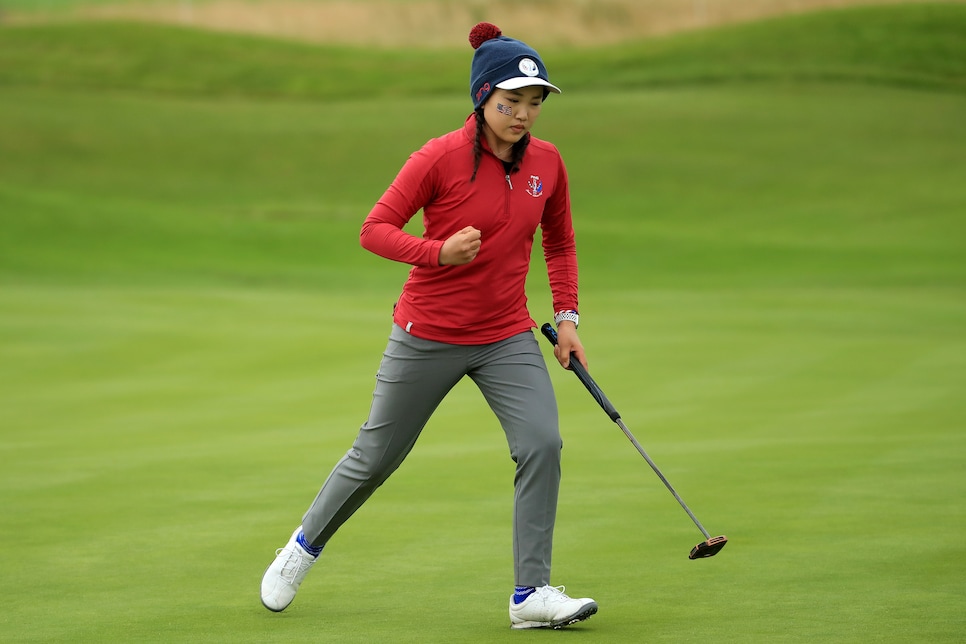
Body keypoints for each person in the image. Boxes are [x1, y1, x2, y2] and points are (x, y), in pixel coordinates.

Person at [259, 22, 597, 630]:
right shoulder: (437, 158)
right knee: (376, 457)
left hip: (505, 335)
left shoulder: (547, 161)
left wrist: (567, 318)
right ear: (482, 98)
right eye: (511, 101)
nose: (523, 114)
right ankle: (302, 547)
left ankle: (531, 594)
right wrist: (436, 252)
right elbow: (374, 229)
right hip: (428, 332)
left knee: (542, 444)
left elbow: (561, 241)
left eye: (534, 102)